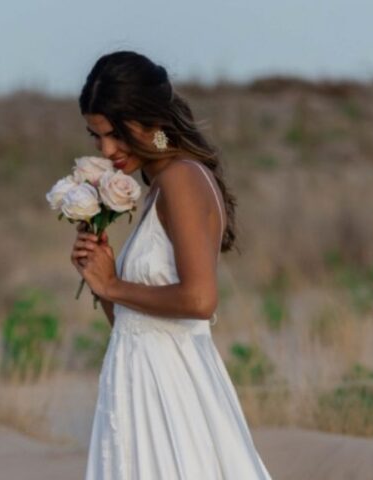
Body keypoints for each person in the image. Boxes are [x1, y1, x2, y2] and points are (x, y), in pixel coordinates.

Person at [71, 51, 272, 479]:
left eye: (115, 134)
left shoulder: (182, 178)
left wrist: (113, 287)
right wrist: (98, 274)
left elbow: (200, 300)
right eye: (96, 137)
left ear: (149, 120)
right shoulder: (162, 185)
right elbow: (133, 323)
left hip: (171, 392)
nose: (107, 150)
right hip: (140, 384)